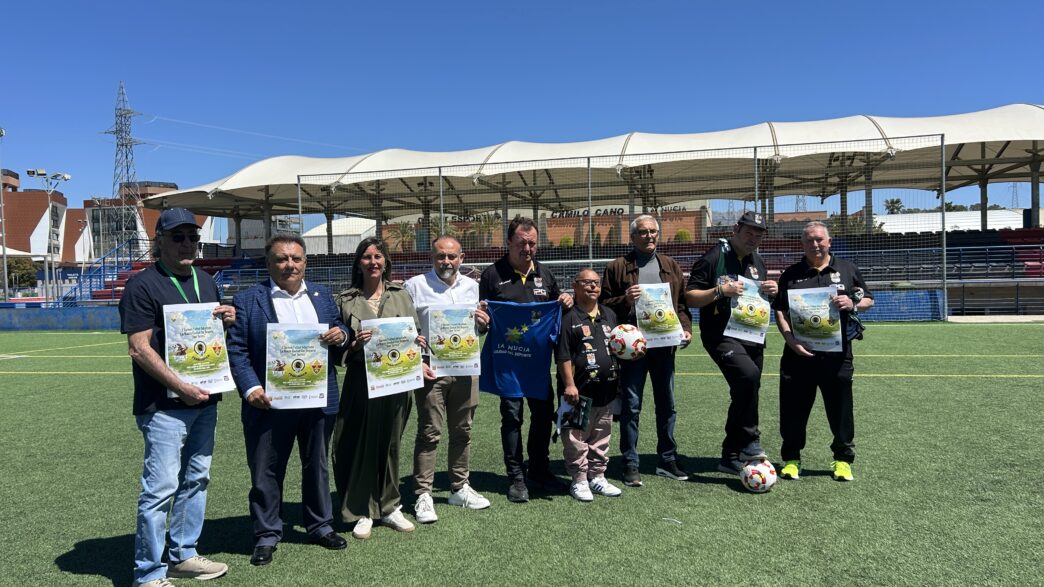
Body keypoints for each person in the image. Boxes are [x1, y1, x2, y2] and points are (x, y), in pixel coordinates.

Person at [119, 208, 234, 587]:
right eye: (178, 237)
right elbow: (139, 348)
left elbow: (210, 338)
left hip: (204, 399)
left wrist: (227, 320)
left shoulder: (207, 281)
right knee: (160, 489)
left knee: (196, 479)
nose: (187, 244)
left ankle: (183, 555)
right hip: (164, 407)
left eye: (193, 237)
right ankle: (148, 573)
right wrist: (181, 387)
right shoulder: (142, 285)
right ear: (160, 241)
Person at [226, 234, 350, 566]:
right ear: (268, 264)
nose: (289, 265)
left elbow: (340, 328)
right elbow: (236, 350)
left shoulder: (322, 295)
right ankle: (266, 534)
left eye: (296, 258)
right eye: (281, 259)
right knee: (266, 469)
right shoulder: (248, 299)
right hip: (269, 403)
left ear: (305, 262)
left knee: (317, 466)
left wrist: (341, 334)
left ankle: (320, 525)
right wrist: (251, 389)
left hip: (317, 400)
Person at [332, 236, 422, 539]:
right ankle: (361, 509)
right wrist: (354, 345)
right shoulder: (345, 300)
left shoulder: (401, 295)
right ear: (359, 262)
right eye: (367, 257)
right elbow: (338, 349)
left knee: (390, 444)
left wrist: (418, 343)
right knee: (358, 444)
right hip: (361, 381)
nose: (373, 262)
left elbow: (413, 334)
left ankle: (390, 506)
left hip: (398, 381)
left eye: (378, 256)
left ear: (386, 262)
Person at [478, 216, 573, 503]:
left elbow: (558, 309)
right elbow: (481, 321)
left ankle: (539, 470)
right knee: (512, 417)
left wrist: (565, 300)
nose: (527, 248)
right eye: (522, 243)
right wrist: (481, 320)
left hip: (538, 365)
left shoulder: (546, 274)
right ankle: (516, 477)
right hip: (508, 364)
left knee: (543, 416)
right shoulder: (492, 275)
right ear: (509, 242)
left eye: (532, 243)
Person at [773, 221, 874, 482]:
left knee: (840, 409)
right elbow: (780, 310)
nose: (814, 244)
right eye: (809, 240)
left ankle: (843, 460)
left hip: (837, 356)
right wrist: (790, 339)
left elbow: (869, 299)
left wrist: (853, 303)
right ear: (802, 244)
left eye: (819, 239)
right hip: (798, 355)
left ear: (829, 241)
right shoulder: (791, 274)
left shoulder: (847, 269)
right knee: (793, 410)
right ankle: (792, 459)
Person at [403, 235, 492, 523]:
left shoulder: (473, 287)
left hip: (466, 369)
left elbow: (479, 328)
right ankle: (423, 494)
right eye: (441, 256)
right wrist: (416, 362)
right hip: (432, 370)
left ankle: (459, 487)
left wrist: (483, 325)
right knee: (429, 432)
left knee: (463, 430)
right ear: (432, 257)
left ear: (461, 258)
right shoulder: (415, 286)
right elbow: (405, 330)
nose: (446, 261)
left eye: (452, 256)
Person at [600, 214, 692, 487]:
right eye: (643, 232)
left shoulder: (670, 265)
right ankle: (630, 462)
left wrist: (686, 329)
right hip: (633, 350)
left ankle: (667, 459)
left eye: (653, 231)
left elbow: (682, 305)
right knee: (631, 405)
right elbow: (603, 305)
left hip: (664, 347)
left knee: (667, 404)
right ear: (632, 237)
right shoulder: (618, 267)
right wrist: (625, 299)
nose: (649, 235)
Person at [685, 210, 779, 475]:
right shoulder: (713, 257)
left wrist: (772, 291)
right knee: (748, 377)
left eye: (759, 235)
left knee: (747, 389)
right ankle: (750, 439)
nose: (753, 239)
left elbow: (759, 298)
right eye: (749, 233)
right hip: (721, 335)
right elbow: (690, 297)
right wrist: (719, 291)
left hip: (752, 334)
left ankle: (729, 456)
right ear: (736, 230)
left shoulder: (757, 261)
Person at [556, 269, 624, 502]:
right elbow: (563, 355)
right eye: (586, 282)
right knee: (575, 438)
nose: (592, 286)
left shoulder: (609, 314)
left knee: (601, 437)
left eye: (596, 282)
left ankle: (597, 476)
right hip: (578, 394)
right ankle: (579, 479)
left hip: (606, 391)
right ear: (575, 286)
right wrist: (569, 385)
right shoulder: (568, 317)